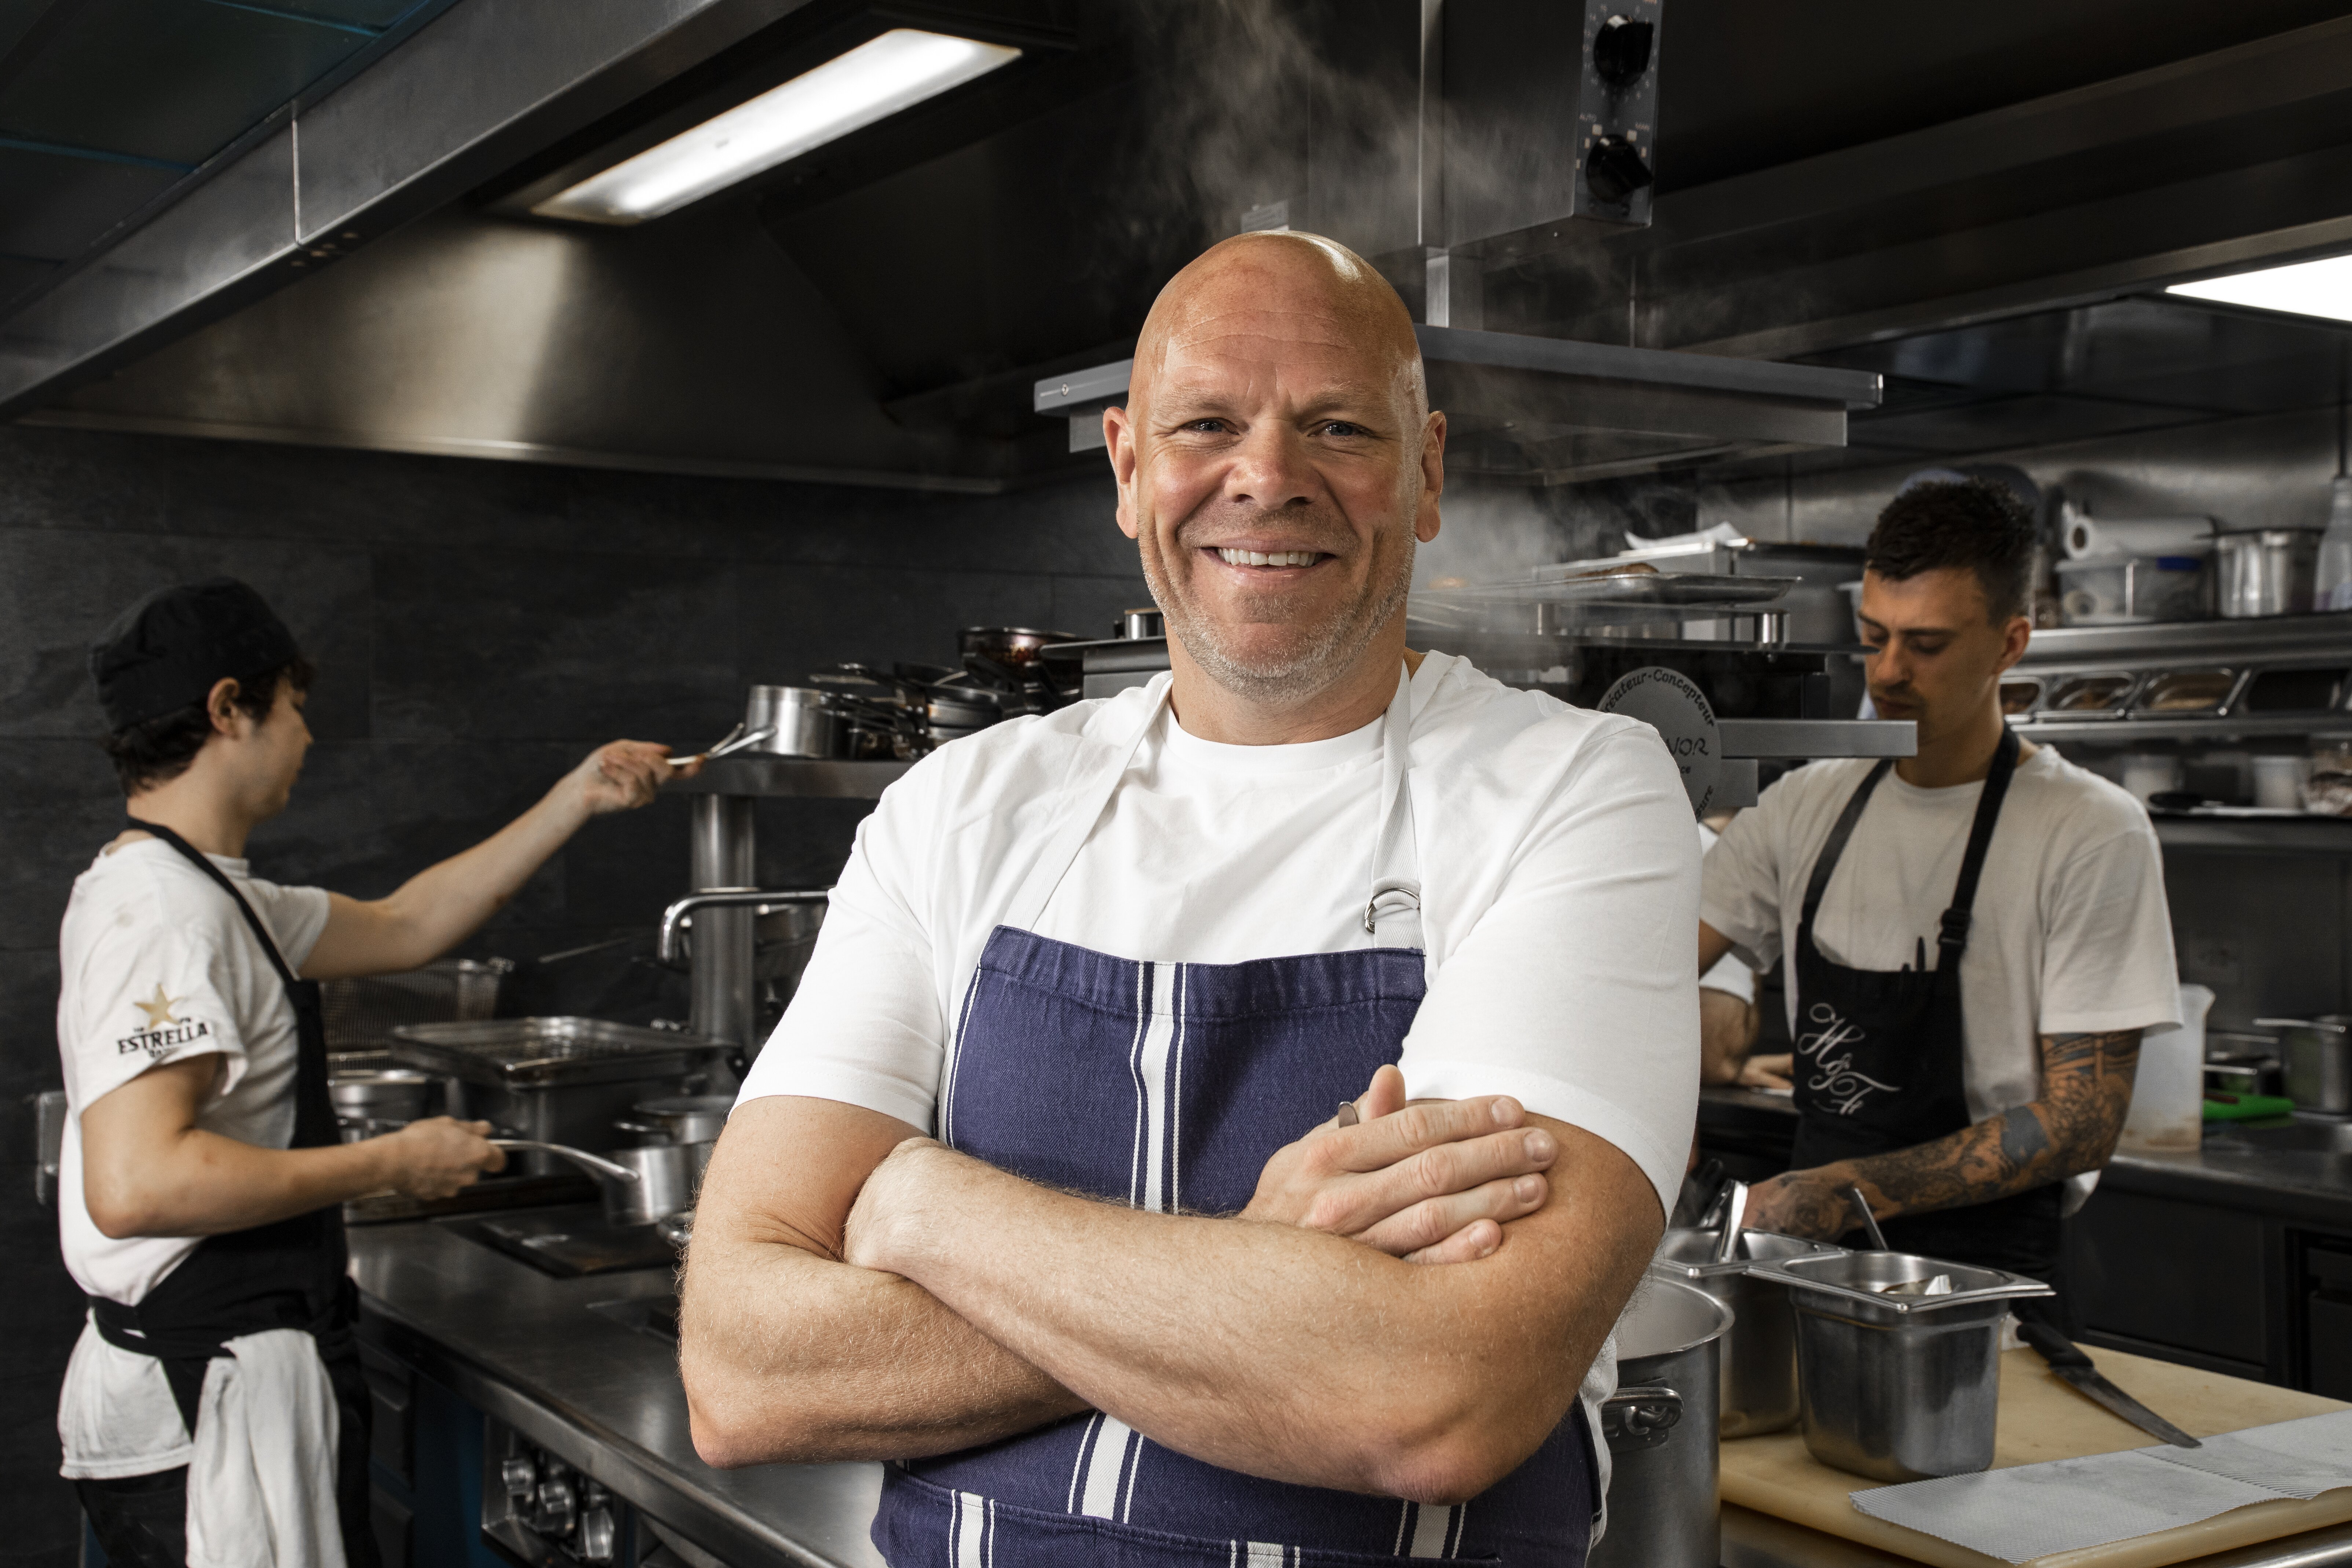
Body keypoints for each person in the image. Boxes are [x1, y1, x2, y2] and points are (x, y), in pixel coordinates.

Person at [680, 230, 1699, 1567]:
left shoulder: (1575, 789)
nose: (1265, 479)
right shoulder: (959, 808)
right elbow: (745, 1365)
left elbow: (1435, 1394)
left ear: (1429, 471)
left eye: (1336, 427)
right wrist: (1266, 1268)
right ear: (1124, 465)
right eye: (1206, 423)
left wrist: (925, 1207)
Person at [57, 578, 695, 1567]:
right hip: (205, 1388)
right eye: (297, 706)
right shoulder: (164, 916)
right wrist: (391, 1161)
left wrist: (580, 794)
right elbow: (140, 1185)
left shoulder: (211, 895)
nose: (308, 738)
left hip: (226, 1372)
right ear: (230, 708)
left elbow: (408, 924)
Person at [1699, 478, 2180, 1296]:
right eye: (1872, 636)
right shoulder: (1800, 805)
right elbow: (1640, 965)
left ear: (2009, 642)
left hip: (1988, 1278)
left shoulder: (2091, 829)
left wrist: (1845, 1189)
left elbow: (2082, 1122)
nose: (1887, 671)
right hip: (1812, 1267)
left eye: (1925, 644)